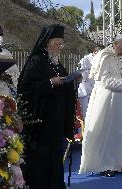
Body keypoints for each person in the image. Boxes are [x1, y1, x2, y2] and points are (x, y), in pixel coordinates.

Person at [17, 24, 78, 189]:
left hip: (55, 121)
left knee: (55, 158)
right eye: (56, 43)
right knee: (40, 160)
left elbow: (63, 84)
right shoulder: (35, 61)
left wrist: (70, 81)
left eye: (61, 44)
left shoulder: (56, 64)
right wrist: (50, 83)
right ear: (47, 43)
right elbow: (25, 89)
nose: (59, 47)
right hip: (40, 122)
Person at [79, 34, 122, 177]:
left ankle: (117, 165)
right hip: (106, 100)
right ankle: (105, 166)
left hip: (121, 100)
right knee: (106, 132)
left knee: (118, 133)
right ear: (115, 43)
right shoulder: (104, 56)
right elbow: (102, 80)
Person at [77, 46, 99, 118]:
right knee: (86, 116)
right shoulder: (85, 60)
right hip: (86, 92)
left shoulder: (101, 61)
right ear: (95, 51)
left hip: (96, 92)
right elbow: (82, 78)